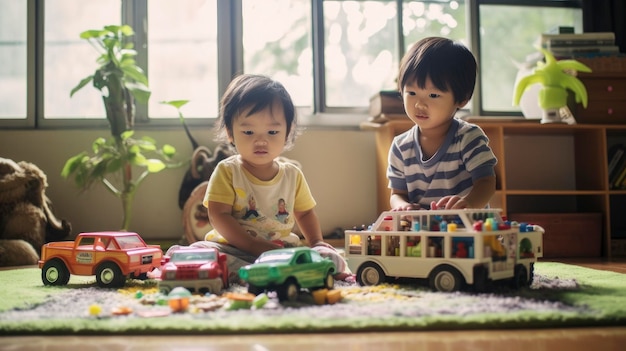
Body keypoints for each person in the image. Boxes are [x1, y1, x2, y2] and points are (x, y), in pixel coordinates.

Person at [172, 74, 348, 282]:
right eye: (248, 132)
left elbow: (306, 212)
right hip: (233, 249)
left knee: (330, 257)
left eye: (272, 131)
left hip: (281, 251)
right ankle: (255, 273)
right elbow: (218, 216)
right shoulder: (227, 171)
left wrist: (317, 241)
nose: (261, 141)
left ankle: (269, 272)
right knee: (201, 253)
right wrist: (253, 246)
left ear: (287, 132)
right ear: (230, 133)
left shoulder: (292, 174)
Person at [387, 37, 497, 211]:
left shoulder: (468, 138)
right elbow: (397, 194)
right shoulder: (400, 147)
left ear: (461, 99)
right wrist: (403, 206)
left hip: (467, 229)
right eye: (412, 93)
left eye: (433, 95)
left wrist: (469, 203)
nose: (419, 104)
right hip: (423, 232)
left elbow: (486, 182)